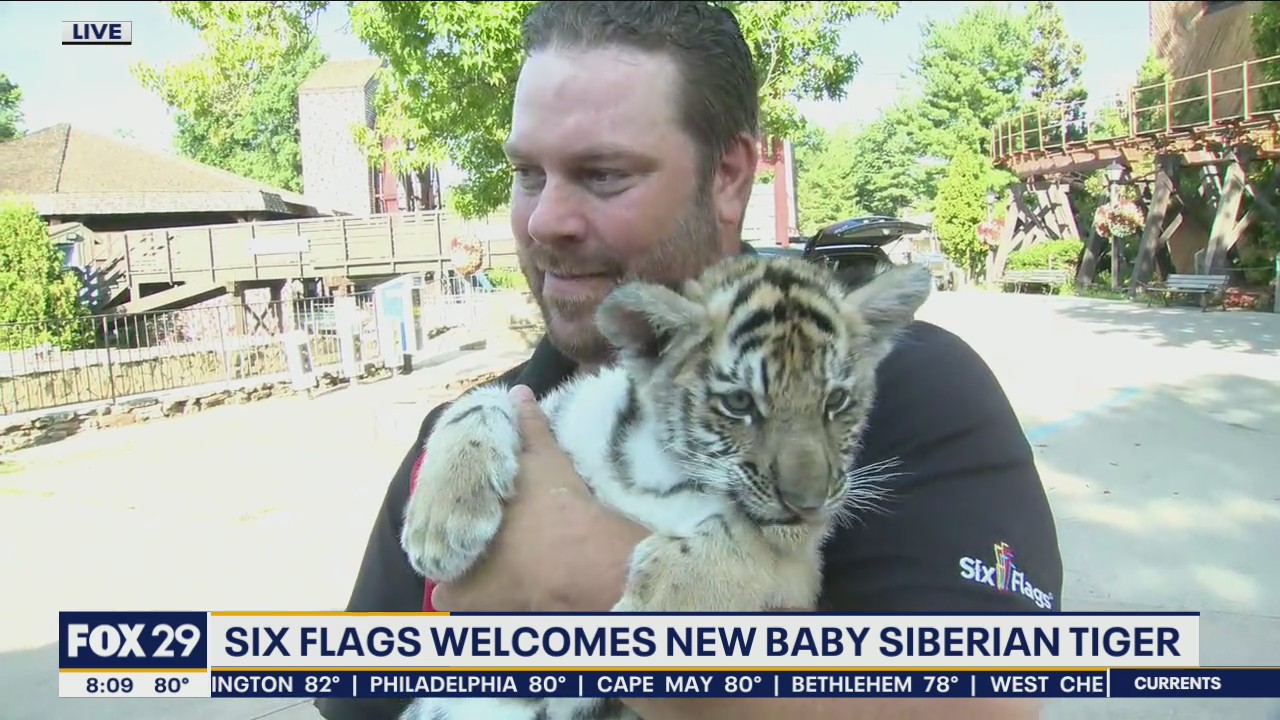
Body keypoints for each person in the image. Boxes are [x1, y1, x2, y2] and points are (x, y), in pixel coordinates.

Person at [316, 2, 1062, 719]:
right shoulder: (472, 434)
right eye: (528, 174)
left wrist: (590, 574)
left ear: (730, 175)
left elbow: (983, 701)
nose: (545, 220)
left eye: (603, 173)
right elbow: (359, 698)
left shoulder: (909, 389)